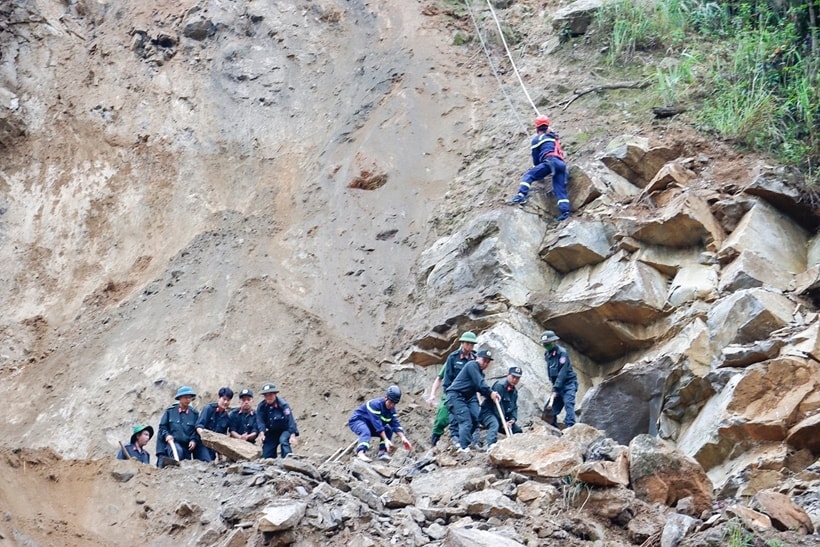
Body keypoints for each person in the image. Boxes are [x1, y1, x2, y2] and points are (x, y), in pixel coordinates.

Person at [507, 114, 570, 222]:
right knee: (559, 189)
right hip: (561, 164)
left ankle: (521, 194)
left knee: (529, 175)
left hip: (550, 162)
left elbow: (536, 160)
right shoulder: (554, 138)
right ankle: (565, 212)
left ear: (537, 127)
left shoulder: (537, 139)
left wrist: (540, 175)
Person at [426, 331, 477, 447]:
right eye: (467, 343)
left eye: (472, 344)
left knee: (471, 417)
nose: (470, 346)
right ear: (462, 343)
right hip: (451, 393)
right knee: (441, 419)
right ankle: (433, 444)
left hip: (467, 395)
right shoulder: (453, 358)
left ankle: (466, 441)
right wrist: (432, 394)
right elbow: (440, 378)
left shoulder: (474, 360)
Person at [445, 349, 501, 452]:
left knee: (475, 419)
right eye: (484, 360)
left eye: (488, 362)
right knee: (465, 420)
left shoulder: (480, 373)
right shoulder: (472, 365)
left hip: (465, 398)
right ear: (477, 358)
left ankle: (465, 442)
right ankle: (463, 447)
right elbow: (480, 384)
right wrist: (491, 393)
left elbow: (480, 389)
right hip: (455, 396)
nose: (485, 363)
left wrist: (491, 395)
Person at [349, 385, 413, 462]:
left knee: (388, 430)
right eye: (390, 402)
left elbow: (395, 424)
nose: (392, 405)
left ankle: (382, 453)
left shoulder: (392, 411)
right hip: (358, 421)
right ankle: (361, 453)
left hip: (370, 425)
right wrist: (386, 439)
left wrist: (403, 438)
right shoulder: (375, 405)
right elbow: (378, 425)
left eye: (394, 403)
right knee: (365, 431)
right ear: (386, 398)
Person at [156, 385, 210, 467]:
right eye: (185, 397)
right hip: (173, 444)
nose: (188, 400)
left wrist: (193, 440)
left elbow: (195, 430)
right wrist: (167, 435)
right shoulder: (170, 412)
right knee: (177, 451)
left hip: (187, 447)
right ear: (180, 398)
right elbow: (163, 427)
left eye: (189, 397)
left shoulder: (194, 414)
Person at [478, 367, 523, 448]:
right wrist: (503, 422)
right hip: (489, 414)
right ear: (508, 375)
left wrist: (512, 420)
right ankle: (491, 445)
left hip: (503, 418)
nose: (515, 380)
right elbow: (497, 407)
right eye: (513, 377)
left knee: (518, 431)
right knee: (494, 424)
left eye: (517, 378)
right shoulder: (499, 386)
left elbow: (514, 407)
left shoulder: (514, 392)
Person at [542, 330, 578, 428]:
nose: (546, 346)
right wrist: (554, 386)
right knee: (548, 411)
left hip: (568, 384)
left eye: (548, 344)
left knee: (568, 404)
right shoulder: (547, 354)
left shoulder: (562, 353)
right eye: (545, 344)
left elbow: (563, 373)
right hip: (557, 386)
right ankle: (554, 430)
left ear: (554, 342)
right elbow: (550, 371)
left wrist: (556, 388)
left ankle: (571, 428)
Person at [256, 383, 299, 459]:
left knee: (283, 441)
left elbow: (290, 420)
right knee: (267, 452)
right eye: (266, 395)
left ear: (275, 394)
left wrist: (292, 435)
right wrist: (262, 433)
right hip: (272, 431)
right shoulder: (261, 407)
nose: (269, 397)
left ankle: (288, 460)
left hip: (285, 430)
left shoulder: (283, 405)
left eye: (271, 395)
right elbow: (260, 421)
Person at [196, 386, 234, 461]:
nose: (226, 402)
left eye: (228, 400)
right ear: (218, 398)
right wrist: (204, 436)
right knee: (206, 461)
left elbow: (222, 435)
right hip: (202, 445)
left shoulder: (226, 417)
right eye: (224, 399)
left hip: (213, 447)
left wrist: (220, 454)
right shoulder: (208, 409)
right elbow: (198, 426)